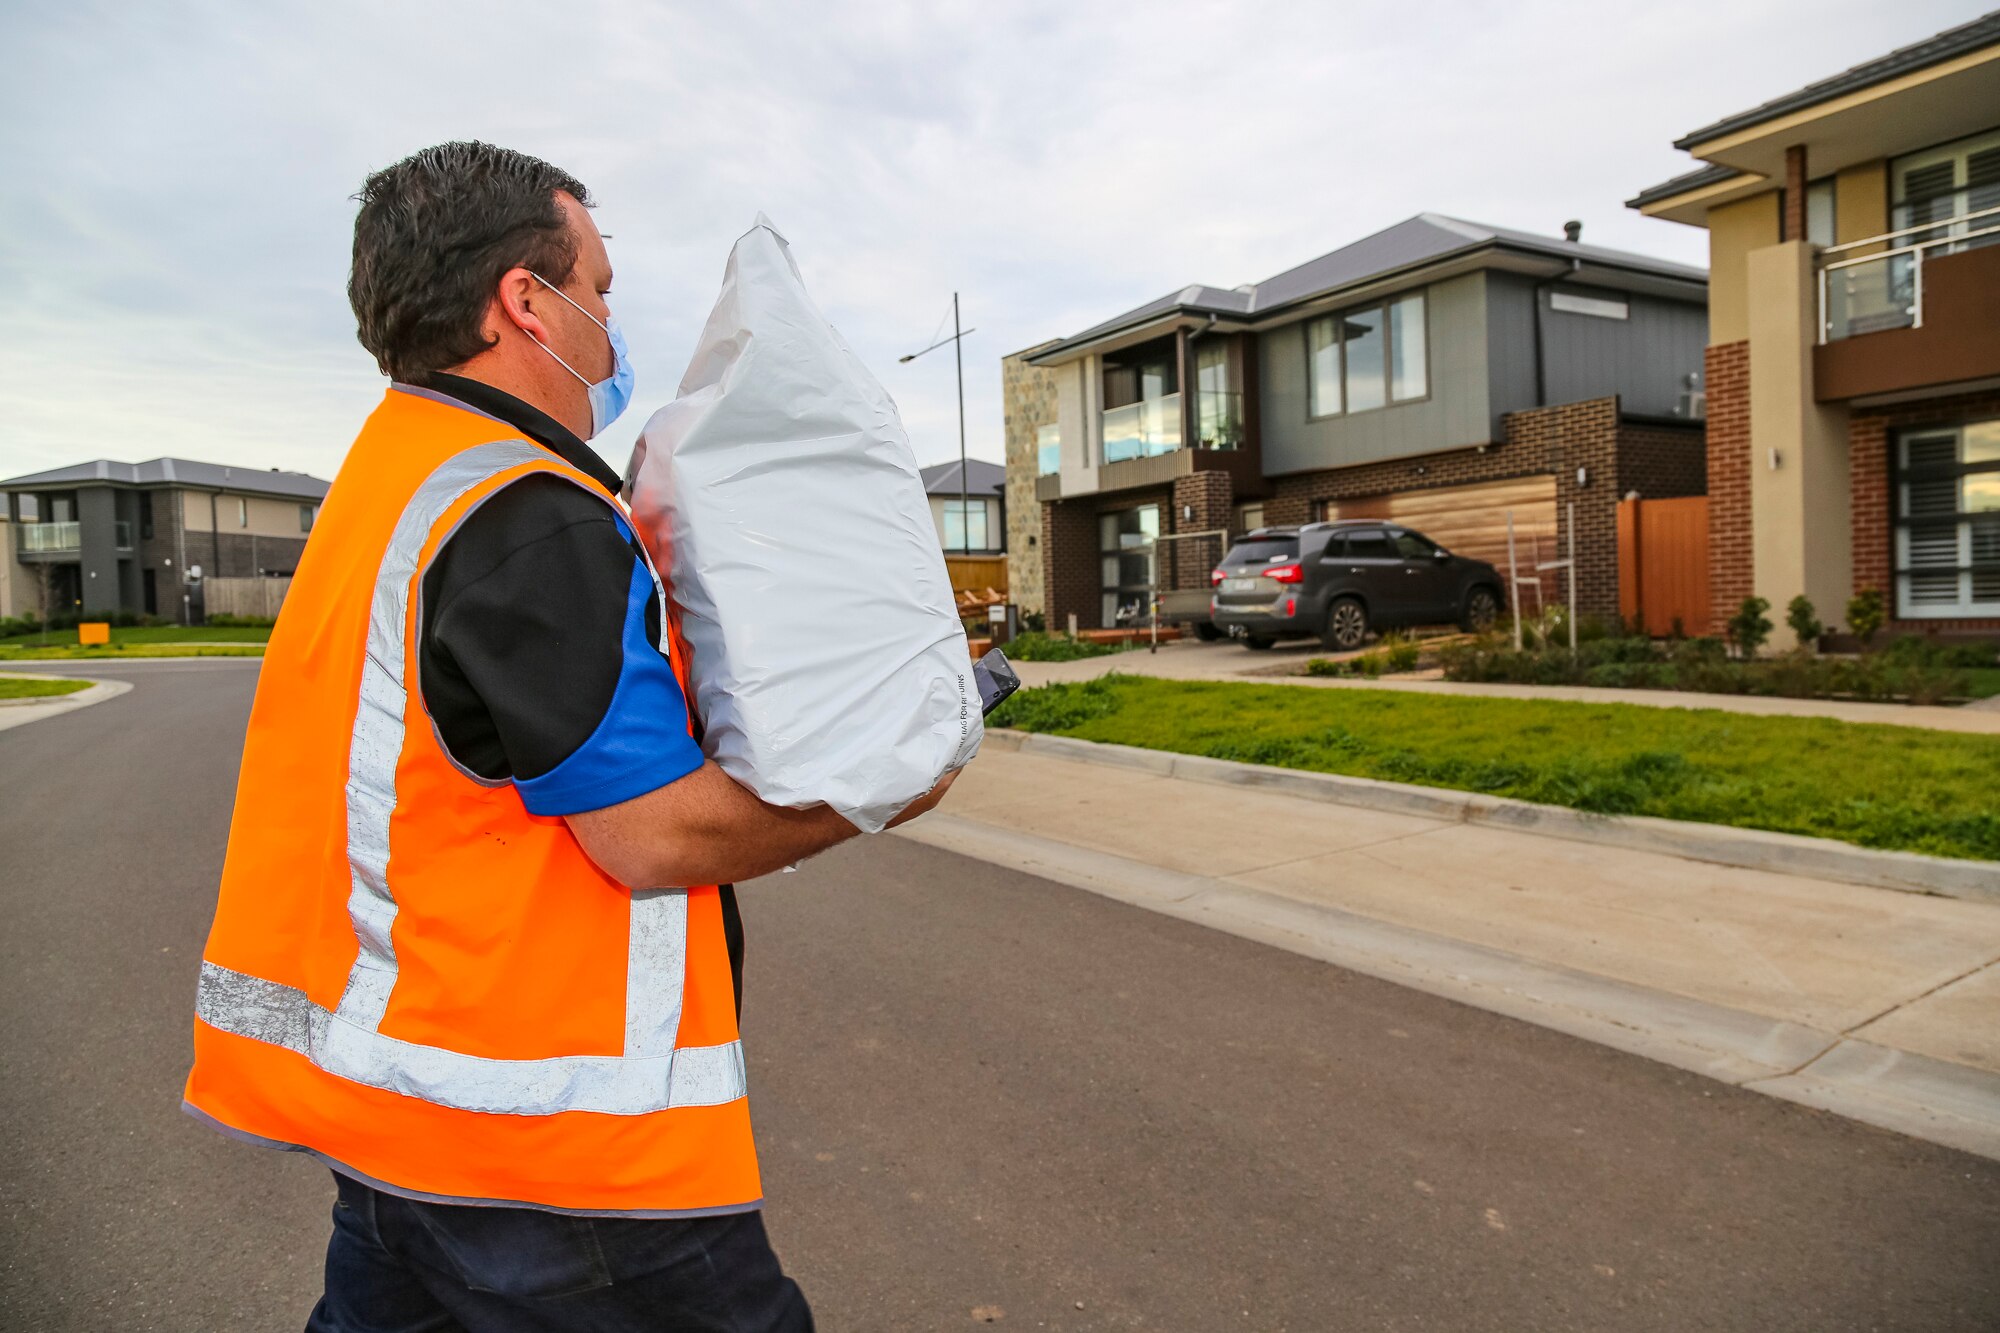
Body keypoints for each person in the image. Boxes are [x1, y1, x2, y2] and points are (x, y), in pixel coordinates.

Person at [181, 141, 956, 1332]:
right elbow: (648, 835)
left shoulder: (393, 477)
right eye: (597, 287)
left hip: (399, 1118)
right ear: (523, 302)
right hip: (548, 1151)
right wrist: (881, 789)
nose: (607, 320)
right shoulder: (527, 512)